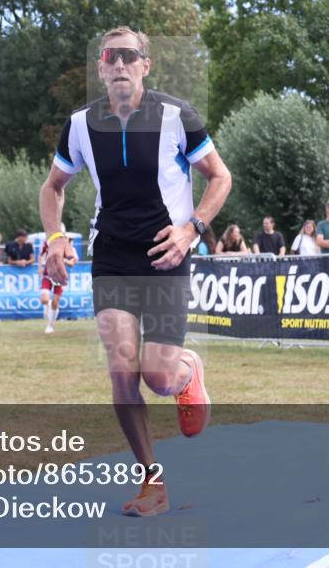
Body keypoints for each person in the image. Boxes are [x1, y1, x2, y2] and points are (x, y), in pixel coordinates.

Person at [40, 26, 232, 518]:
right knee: (122, 369)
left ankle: (187, 372)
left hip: (166, 251)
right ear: (100, 68)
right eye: (111, 56)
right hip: (112, 255)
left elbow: (219, 176)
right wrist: (56, 238)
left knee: (158, 376)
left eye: (130, 56)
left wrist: (193, 228)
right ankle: (153, 483)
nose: (120, 64)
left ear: (146, 65)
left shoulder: (176, 116)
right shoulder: (80, 124)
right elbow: (53, 186)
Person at [39, 226, 79, 334]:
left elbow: (72, 262)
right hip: (47, 274)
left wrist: (63, 260)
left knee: (56, 302)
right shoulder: (47, 243)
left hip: (59, 277)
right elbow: (41, 255)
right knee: (44, 300)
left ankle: (50, 325)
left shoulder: (67, 246)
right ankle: (50, 306)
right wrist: (40, 267)